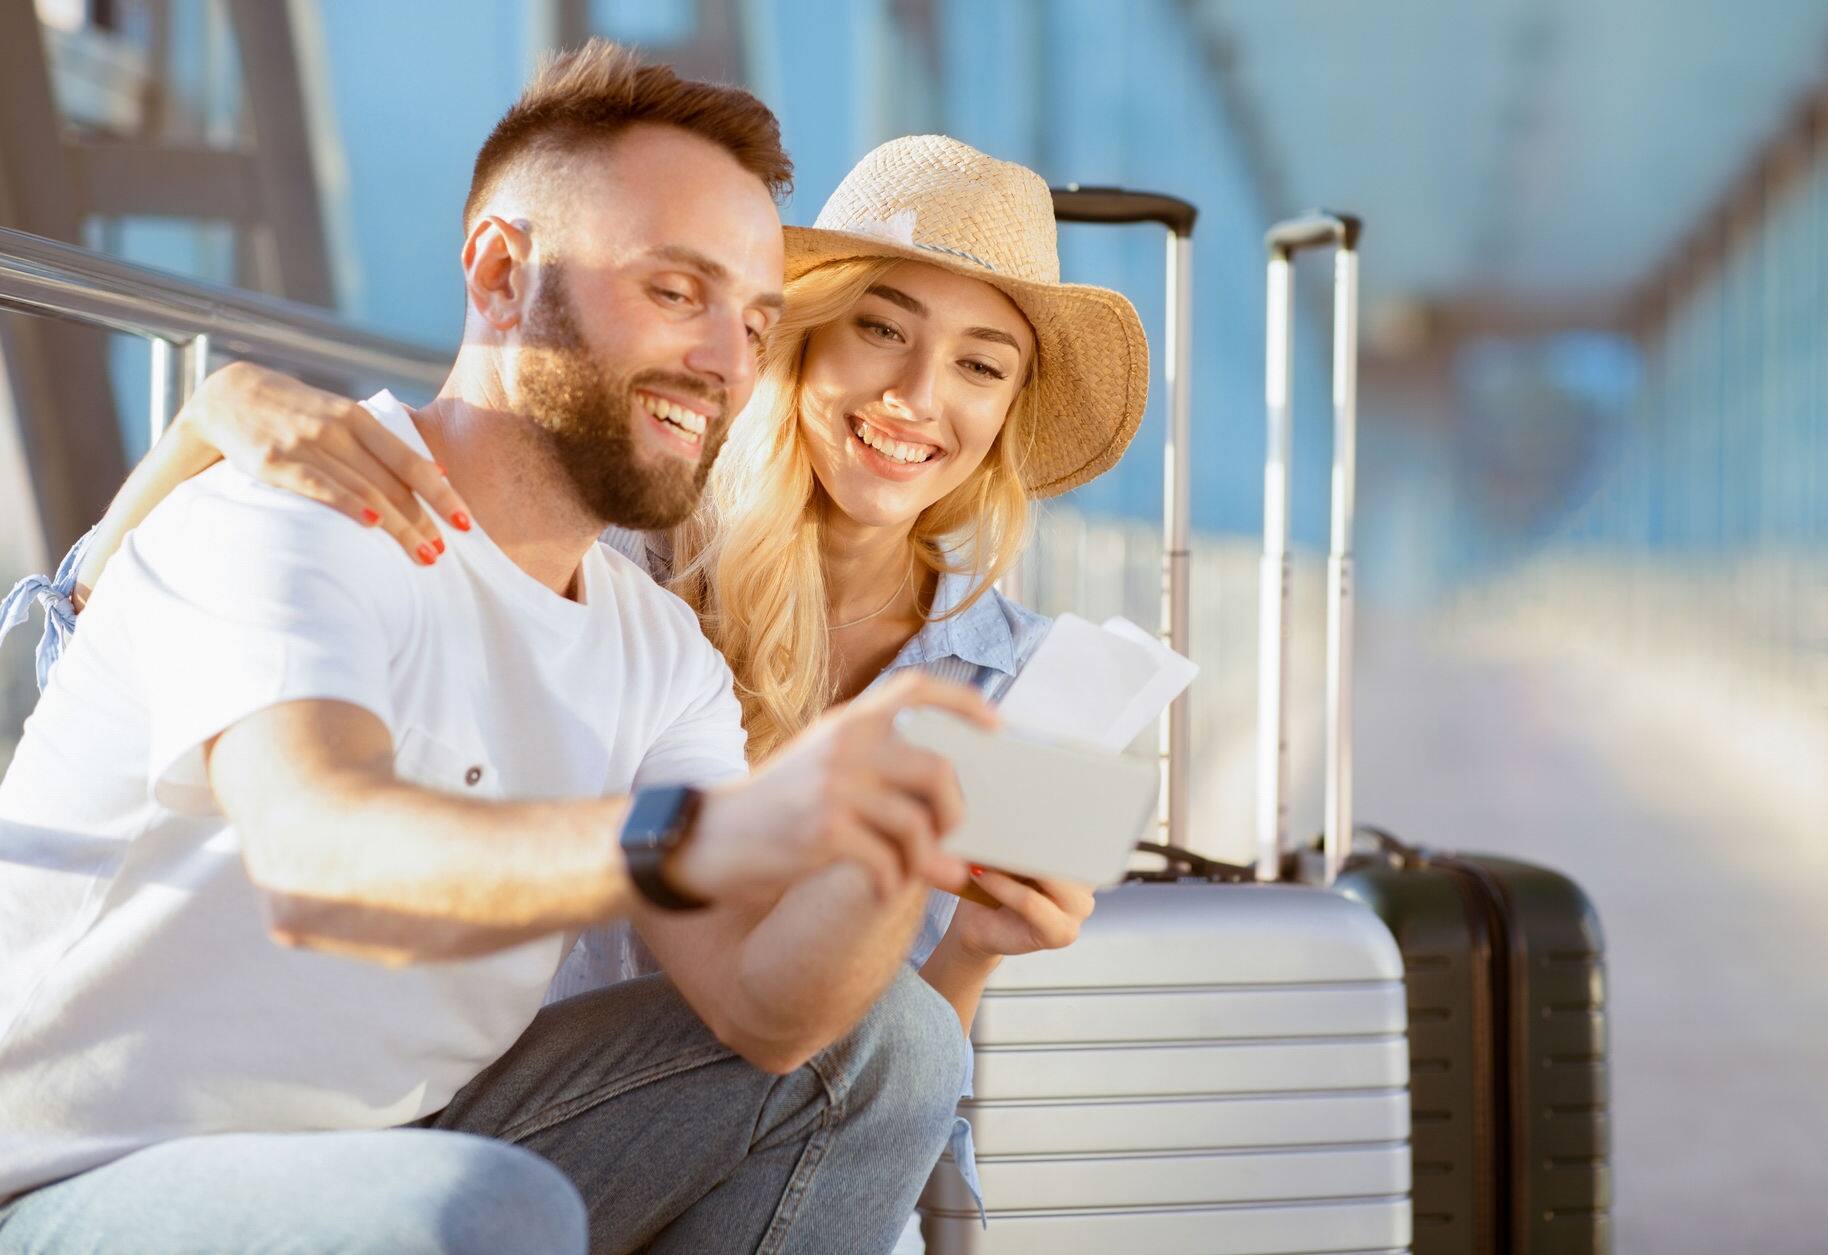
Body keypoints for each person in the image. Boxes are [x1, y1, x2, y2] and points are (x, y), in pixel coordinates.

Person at [4, 133, 1154, 1253]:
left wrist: (910, 875)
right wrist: (198, 430)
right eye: (674, 290)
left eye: (748, 319)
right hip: (102, 1168)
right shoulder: (334, 511)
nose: (721, 353)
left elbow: (793, 1027)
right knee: (490, 1205)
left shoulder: (665, 642)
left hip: (464, 1131)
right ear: (501, 274)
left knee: (889, 1039)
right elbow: (300, 842)